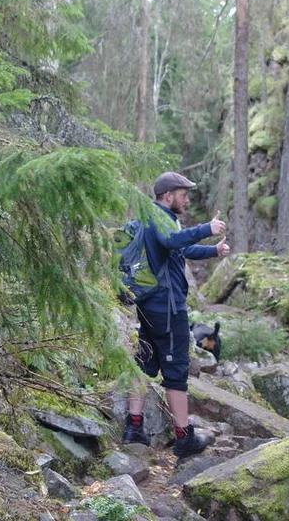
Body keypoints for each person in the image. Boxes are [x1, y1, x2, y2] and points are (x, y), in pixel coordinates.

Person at [122, 171, 231, 458]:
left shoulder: (152, 218)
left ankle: (134, 427)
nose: (188, 199)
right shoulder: (160, 218)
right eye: (184, 194)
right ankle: (184, 436)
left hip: (150, 306)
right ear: (168, 195)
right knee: (176, 372)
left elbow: (178, 247)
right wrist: (207, 227)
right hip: (167, 310)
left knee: (143, 364)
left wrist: (213, 251)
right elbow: (173, 241)